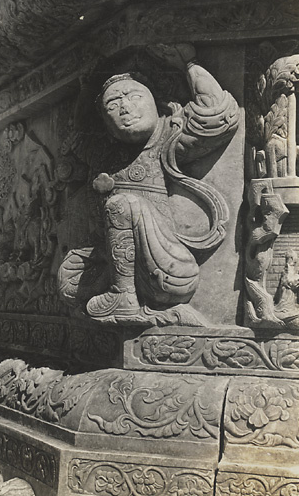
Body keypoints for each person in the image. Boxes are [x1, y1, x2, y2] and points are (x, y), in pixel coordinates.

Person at [58, 44, 240, 322]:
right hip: (112, 262)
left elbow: (217, 117)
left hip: (168, 267)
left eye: (134, 96)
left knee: (120, 204)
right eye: (112, 105)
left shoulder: (167, 137)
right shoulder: (103, 152)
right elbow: (80, 132)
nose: (125, 108)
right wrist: (85, 87)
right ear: (105, 123)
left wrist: (189, 63)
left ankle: (124, 297)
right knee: (69, 281)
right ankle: (120, 291)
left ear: (157, 103)